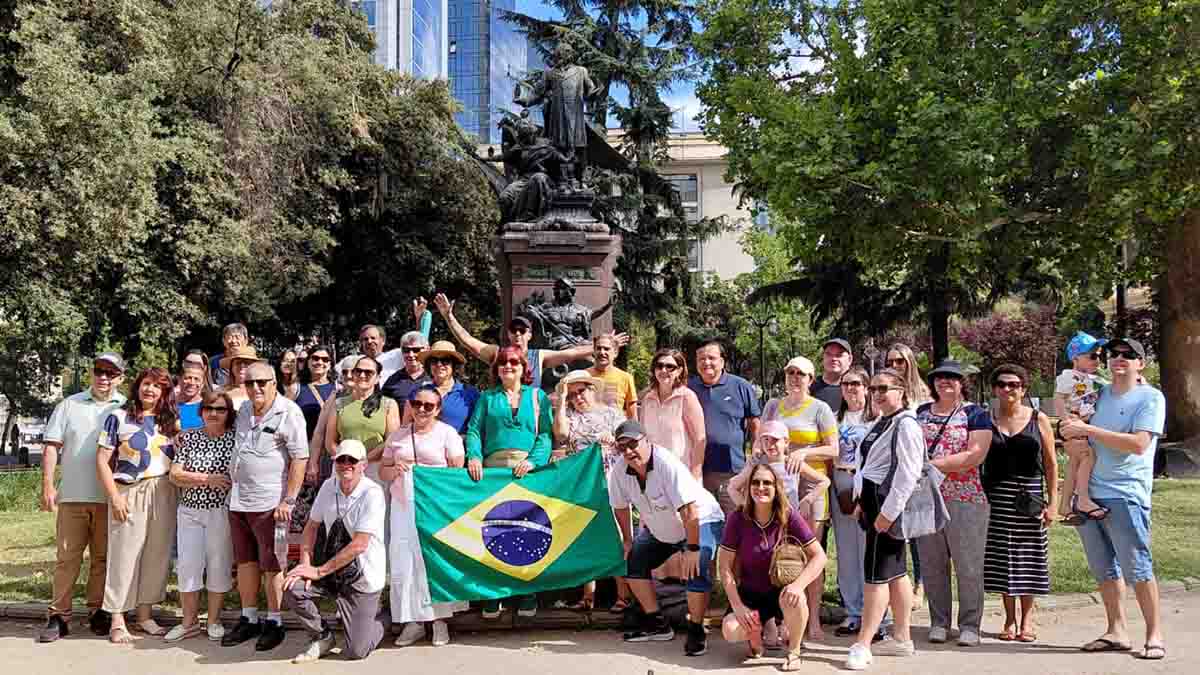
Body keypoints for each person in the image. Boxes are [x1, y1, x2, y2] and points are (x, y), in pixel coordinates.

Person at [1061, 337, 1166, 661]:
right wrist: (1070, 435)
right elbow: (1071, 426)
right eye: (1113, 354)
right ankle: (1116, 630)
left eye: (1128, 355)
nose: (1118, 359)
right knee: (1104, 568)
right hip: (1089, 493)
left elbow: (1138, 444)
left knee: (1138, 567)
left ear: (1140, 364)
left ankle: (1154, 635)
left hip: (1126, 494)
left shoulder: (1150, 397)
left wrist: (1088, 432)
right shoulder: (1097, 393)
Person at [608, 420, 725, 657]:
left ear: (647, 441)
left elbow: (689, 510)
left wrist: (692, 548)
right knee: (634, 562)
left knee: (697, 565)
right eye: (623, 447)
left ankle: (696, 629)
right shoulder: (619, 470)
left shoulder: (665, 463)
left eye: (633, 444)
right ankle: (657, 624)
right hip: (663, 528)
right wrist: (628, 540)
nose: (629, 451)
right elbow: (620, 506)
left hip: (699, 520)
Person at [38, 353, 127, 643]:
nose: (104, 378)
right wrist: (48, 485)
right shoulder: (69, 404)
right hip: (73, 496)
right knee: (67, 559)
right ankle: (59, 616)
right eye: (99, 371)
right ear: (92, 374)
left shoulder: (126, 406)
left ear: (120, 378)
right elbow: (52, 446)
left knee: (103, 559)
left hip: (109, 498)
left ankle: (98, 611)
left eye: (110, 374)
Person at [223, 361, 308, 651]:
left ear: (274, 383)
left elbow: (300, 458)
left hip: (270, 502)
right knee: (245, 562)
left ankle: (274, 621)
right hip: (238, 499)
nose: (255, 388)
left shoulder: (289, 412)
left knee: (272, 563)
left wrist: (289, 499)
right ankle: (249, 618)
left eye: (262, 382)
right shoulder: (244, 410)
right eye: (249, 383)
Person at [464, 345, 554, 618]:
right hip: (492, 471)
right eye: (503, 362)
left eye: (514, 362)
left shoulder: (538, 397)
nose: (508, 366)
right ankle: (494, 593)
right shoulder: (487, 397)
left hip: (527, 471)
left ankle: (527, 592)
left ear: (523, 367)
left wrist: (534, 461)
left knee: (528, 530)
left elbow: (546, 435)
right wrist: (474, 457)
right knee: (494, 529)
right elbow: (474, 430)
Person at [844, 369, 924, 670]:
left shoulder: (905, 424)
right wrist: (860, 500)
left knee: (875, 576)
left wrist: (888, 514)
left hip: (886, 505)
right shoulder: (882, 421)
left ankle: (863, 643)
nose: (877, 394)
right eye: (874, 389)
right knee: (896, 572)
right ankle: (902, 637)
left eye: (884, 388)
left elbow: (908, 472)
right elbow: (867, 466)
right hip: (873, 502)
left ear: (901, 391)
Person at [95, 367, 179, 644]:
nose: (150, 390)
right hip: (128, 491)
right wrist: (114, 497)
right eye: (146, 383)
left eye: (157, 386)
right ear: (137, 386)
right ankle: (117, 617)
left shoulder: (171, 421)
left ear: (164, 392)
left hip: (164, 490)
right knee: (124, 554)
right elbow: (102, 460)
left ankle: (144, 615)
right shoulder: (118, 417)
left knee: (157, 553)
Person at [284, 439, 388, 663]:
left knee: (356, 652)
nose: (346, 465)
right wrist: (305, 564)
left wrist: (319, 572)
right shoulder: (328, 486)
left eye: (352, 460)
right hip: (332, 570)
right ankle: (322, 636)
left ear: (363, 464)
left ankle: (387, 617)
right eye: (342, 460)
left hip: (363, 577)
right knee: (293, 587)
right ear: (334, 463)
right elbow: (311, 526)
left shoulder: (373, 493)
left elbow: (360, 544)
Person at [913, 359, 993, 647]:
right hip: (926, 499)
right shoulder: (921, 413)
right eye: (939, 377)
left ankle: (970, 625)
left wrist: (931, 466)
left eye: (952, 377)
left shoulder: (976, 414)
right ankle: (939, 622)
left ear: (962, 382)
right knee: (932, 564)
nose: (945, 382)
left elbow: (975, 455)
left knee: (968, 564)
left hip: (966, 499)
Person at [380, 386, 468, 647]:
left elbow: (456, 470)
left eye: (428, 406)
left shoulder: (447, 434)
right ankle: (412, 622)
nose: (422, 409)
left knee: (433, 562)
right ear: (410, 405)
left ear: (438, 409)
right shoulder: (397, 436)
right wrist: (395, 468)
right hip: (403, 506)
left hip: (434, 508)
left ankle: (439, 621)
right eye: (417, 404)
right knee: (405, 562)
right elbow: (384, 471)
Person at [720, 462, 828, 670]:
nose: (761, 487)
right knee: (731, 630)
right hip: (750, 594)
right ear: (749, 487)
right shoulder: (738, 518)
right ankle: (755, 635)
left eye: (767, 483)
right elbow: (724, 566)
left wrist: (798, 585)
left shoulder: (788, 515)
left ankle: (794, 651)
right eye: (756, 482)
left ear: (776, 487)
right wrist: (737, 606)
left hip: (781, 592)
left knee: (795, 599)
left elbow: (820, 557)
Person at [761, 355, 838, 640]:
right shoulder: (772, 406)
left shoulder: (820, 408)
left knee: (811, 552)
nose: (795, 377)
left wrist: (803, 452)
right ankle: (783, 618)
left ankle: (813, 619)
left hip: (811, 486)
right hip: (778, 486)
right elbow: (762, 441)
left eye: (802, 374)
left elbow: (834, 450)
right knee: (780, 553)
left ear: (811, 379)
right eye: (791, 372)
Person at [982, 364, 1057, 643]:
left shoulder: (1039, 419)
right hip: (997, 497)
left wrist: (1053, 503)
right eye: (1001, 384)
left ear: (1024, 389)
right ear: (994, 389)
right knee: (1003, 558)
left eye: (1014, 384)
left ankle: (1027, 619)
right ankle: (1009, 619)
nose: (1007, 389)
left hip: (1030, 496)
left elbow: (1050, 464)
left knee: (1029, 558)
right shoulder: (986, 419)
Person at [433, 292, 622, 390]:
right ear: (508, 334)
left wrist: (604, 345)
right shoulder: (496, 353)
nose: (517, 334)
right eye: (513, 330)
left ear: (529, 335)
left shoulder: (538, 356)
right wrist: (449, 317)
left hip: (529, 414)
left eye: (522, 331)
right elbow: (468, 341)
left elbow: (572, 353)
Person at [166, 390, 237, 642]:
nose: (214, 414)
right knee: (188, 566)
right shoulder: (191, 438)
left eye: (220, 409)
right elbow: (175, 475)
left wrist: (196, 480)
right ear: (201, 412)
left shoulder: (235, 439)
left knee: (218, 565)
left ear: (229, 414)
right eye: (209, 409)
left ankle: (214, 619)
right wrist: (208, 479)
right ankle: (189, 622)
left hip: (221, 512)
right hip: (189, 512)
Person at [550, 369, 624, 611]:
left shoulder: (613, 414)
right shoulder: (569, 416)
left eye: (580, 391)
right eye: (572, 395)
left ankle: (624, 595)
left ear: (592, 389)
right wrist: (561, 401)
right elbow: (560, 435)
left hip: (612, 483)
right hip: (582, 486)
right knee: (585, 537)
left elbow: (629, 441)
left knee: (617, 537)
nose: (577, 398)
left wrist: (612, 438)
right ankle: (587, 596)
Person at [828, 367, 885, 640]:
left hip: (867, 485)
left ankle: (876, 617)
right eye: (846, 384)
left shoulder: (878, 419)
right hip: (840, 482)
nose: (851, 388)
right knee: (846, 550)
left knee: (869, 551)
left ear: (866, 387)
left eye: (856, 383)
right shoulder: (833, 417)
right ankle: (852, 612)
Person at [688, 340, 761, 514]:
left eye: (711, 358)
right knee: (704, 521)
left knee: (736, 519)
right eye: (701, 359)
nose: (706, 363)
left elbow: (754, 423)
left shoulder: (740, 386)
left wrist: (757, 453)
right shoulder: (690, 388)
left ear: (722, 362)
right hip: (698, 470)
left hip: (732, 471)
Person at [884, 342, 931, 607]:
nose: (894, 366)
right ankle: (896, 584)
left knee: (917, 532)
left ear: (909, 362)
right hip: (889, 470)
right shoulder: (885, 391)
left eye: (899, 361)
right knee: (896, 529)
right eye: (890, 362)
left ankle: (920, 585)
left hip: (915, 469)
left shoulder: (922, 394)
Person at [325, 356, 401, 493]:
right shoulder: (339, 404)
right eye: (358, 371)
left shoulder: (389, 404)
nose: (362, 375)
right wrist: (347, 460)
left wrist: (363, 460)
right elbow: (330, 442)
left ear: (377, 378)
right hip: (344, 468)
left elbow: (391, 440)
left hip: (374, 469)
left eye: (368, 372)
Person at [1055, 331, 1109, 524]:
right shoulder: (1069, 377)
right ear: (1076, 358)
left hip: (1082, 424)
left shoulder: (1090, 379)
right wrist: (1065, 420)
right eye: (1092, 356)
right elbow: (1059, 398)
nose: (1097, 360)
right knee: (1088, 456)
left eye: (1099, 355)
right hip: (1074, 424)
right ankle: (1084, 499)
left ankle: (1064, 505)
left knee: (1074, 464)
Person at [639, 348, 706, 478]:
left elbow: (700, 440)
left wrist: (695, 474)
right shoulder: (647, 399)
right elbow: (643, 438)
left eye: (670, 367)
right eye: (659, 366)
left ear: (679, 371)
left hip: (681, 472)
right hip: (653, 472)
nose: (664, 370)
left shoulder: (686, 397)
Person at [416, 340, 480, 434]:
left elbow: (479, 428)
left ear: (454, 365)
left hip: (460, 447)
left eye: (445, 361)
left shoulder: (470, 393)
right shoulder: (420, 393)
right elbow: (409, 426)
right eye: (434, 361)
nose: (439, 364)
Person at [297, 345, 338, 485]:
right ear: (308, 361)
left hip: (331, 451)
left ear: (330, 364)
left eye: (325, 359)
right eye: (315, 358)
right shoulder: (297, 389)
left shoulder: (338, 390)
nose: (320, 362)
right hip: (305, 450)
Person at [586, 334, 637, 418]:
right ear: (594, 351)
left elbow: (632, 412)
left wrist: (634, 430)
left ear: (615, 353)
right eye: (599, 348)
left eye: (606, 349)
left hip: (615, 428)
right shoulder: (583, 375)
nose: (602, 352)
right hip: (588, 428)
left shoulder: (626, 378)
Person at [380, 331, 433, 407]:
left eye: (416, 350)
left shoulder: (435, 376)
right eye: (406, 350)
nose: (411, 355)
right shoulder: (393, 380)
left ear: (427, 350)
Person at [811, 338, 853, 411]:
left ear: (850, 359)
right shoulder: (809, 387)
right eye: (829, 354)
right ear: (823, 357)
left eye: (839, 355)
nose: (833, 358)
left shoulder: (857, 389)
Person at [219, 345, 260, 411]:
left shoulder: (261, 391)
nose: (242, 366)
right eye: (238, 363)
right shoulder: (220, 392)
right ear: (231, 367)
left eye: (246, 363)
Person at [210, 322, 249, 388]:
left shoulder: (252, 362)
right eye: (230, 337)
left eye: (237, 337)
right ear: (224, 341)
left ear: (246, 341)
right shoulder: (213, 362)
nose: (233, 341)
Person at [176, 363, 207, 431]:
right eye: (187, 378)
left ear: (202, 384)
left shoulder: (207, 406)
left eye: (196, 379)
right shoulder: (169, 404)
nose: (192, 383)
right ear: (179, 380)